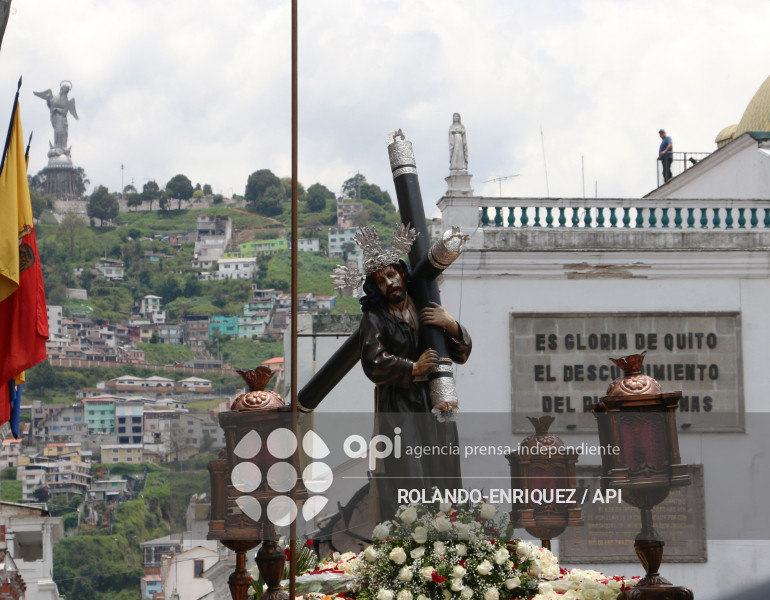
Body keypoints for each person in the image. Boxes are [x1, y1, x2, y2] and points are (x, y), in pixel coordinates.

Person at [359, 258, 471, 520]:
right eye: (381, 281)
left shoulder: (426, 306)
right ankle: (414, 529)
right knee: (409, 469)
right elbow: (372, 360)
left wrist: (451, 325)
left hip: (435, 398)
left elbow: (461, 353)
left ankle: (451, 526)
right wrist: (412, 367)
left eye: (391, 275)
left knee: (443, 465)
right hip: (399, 402)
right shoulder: (375, 317)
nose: (389, 283)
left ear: (402, 274)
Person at [34, 81, 79, 150]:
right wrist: (48, 100)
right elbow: (50, 106)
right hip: (56, 117)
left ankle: (63, 147)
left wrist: (57, 109)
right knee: (58, 131)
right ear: (62, 88)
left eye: (67, 90)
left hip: (63, 119)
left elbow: (64, 112)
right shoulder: (54, 97)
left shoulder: (67, 101)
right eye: (65, 89)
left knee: (64, 133)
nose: (66, 91)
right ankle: (57, 145)